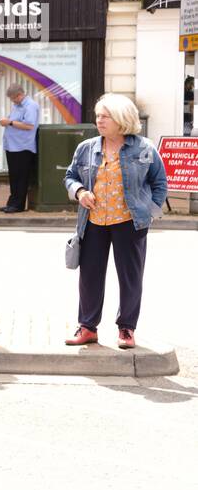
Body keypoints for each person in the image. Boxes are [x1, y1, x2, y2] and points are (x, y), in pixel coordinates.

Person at [63, 93, 168, 350]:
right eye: (98, 115)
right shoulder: (86, 148)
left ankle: (126, 329)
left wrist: (148, 214)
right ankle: (87, 327)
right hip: (94, 221)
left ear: (122, 119)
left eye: (105, 116)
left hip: (129, 223)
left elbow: (160, 183)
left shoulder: (144, 148)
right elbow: (70, 175)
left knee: (130, 277)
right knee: (89, 277)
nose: (99, 120)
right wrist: (79, 191)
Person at [0, 82, 40, 213]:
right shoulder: (17, 105)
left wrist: (9, 122)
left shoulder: (31, 106)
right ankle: (12, 202)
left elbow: (29, 126)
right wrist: (7, 121)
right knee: (14, 176)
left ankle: (18, 205)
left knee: (21, 177)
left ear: (20, 95)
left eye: (13, 98)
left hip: (23, 146)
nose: (12, 101)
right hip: (12, 146)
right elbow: (15, 121)